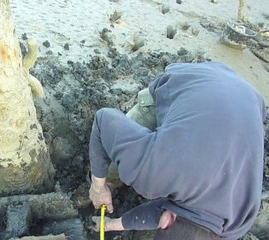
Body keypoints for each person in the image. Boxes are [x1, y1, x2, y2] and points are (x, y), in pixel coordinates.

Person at [88, 62, 266, 240]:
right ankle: (112, 180)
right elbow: (103, 119)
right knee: (117, 169)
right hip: (192, 79)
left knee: (146, 165)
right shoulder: (155, 173)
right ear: (167, 223)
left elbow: (181, 217)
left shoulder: (238, 225)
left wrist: (111, 225)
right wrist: (99, 187)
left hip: (250, 99)